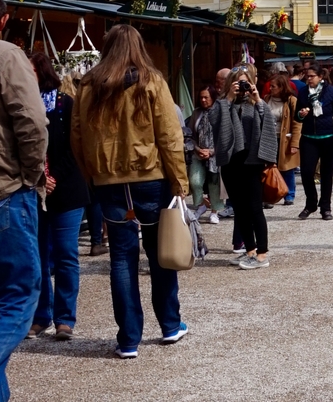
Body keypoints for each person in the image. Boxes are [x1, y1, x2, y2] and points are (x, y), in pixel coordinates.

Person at [71, 23, 190, 358]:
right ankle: (169, 325)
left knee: (122, 258)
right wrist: (179, 181)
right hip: (150, 177)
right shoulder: (151, 81)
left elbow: (77, 137)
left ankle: (128, 340)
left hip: (109, 180)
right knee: (160, 254)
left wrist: (91, 175)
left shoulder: (89, 84)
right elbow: (169, 135)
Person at [0, 0, 46, 402]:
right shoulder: (5, 55)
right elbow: (31, 122)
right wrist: (32, 178)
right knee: (15, 300)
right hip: (1, 195)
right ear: (3, 20)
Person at [28, 53, 89, 342]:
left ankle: (64, 318)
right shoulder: (22, 105)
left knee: (66, 255)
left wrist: (52, 177)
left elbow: (76, 147)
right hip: (35, 189)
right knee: (38, 257)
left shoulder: (66, 104)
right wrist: (39, 177)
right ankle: (41, 316)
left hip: (66, 190)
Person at [209, 68, 279, 268]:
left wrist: (257, 99)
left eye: (245, 82)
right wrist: (229, 97)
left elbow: (269, 124)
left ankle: (262, 254)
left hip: (251, 161)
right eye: (238, 83)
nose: (243, 87)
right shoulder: (223, 104)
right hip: (231, 162)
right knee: (239, 209)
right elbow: (213, 120)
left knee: (255, 208)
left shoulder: (256, 104)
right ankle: (250, 250)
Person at [295, 63, 333, 219]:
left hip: (329, 138)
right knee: (306, 172)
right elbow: (296, 116)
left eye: (312, 76)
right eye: (307, 76)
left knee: (326, 174)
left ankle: (325, 207)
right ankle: (311, 203)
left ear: (320, 77)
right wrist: (301, 114)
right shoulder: (303, 92)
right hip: (309, 138)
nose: (309, 79)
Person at [183, 85, 223, 222]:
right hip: (198, 152)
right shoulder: (196, 113)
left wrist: (212, 151)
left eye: (206, 97)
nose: (203, 100)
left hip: (215, 154)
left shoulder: (220, 112)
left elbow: (224, 137)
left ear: (213, 97)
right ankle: (200, 205)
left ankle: (215, 212)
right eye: (201, 97)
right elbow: (190, 135)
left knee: (214, 183)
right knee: (194, 181)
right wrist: (198, 149)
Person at [265, 72, 302, 204]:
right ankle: (272, 193)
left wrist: (295, 143)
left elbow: (297, 123)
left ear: (281, 87)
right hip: (269, 138)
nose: (270, 88)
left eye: (273, 86)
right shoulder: (266, 99)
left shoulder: (291, 100)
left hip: (284, 139)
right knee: (269, 167)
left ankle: (289, 194)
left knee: (287, 168)